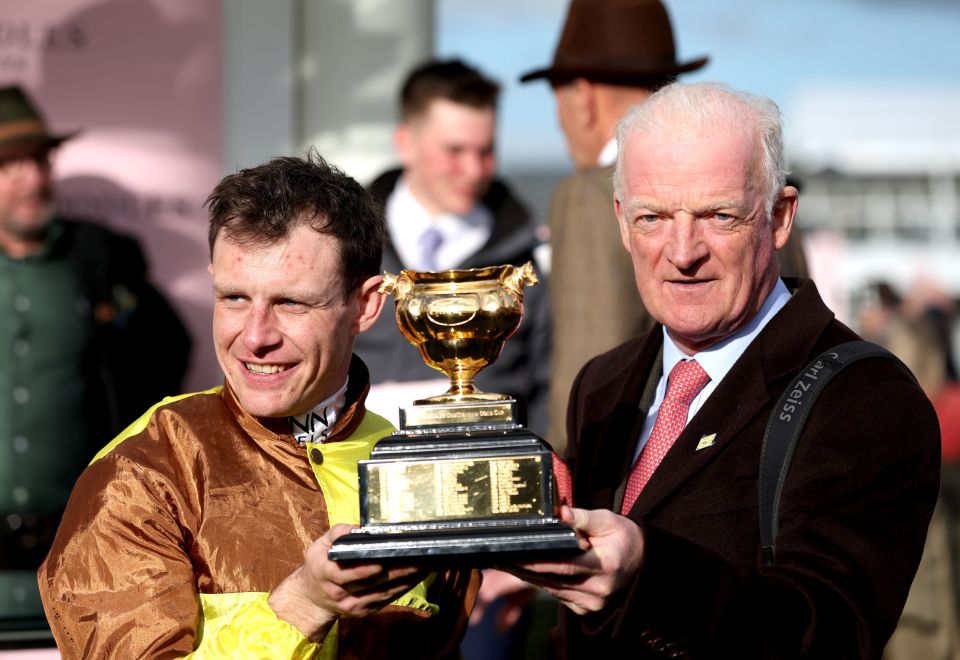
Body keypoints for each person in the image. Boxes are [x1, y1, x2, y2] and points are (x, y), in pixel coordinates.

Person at [505, 82, 940, 658]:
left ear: (780, 217)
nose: (682, 251)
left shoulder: (866, 398)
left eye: (718, 216)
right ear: (620, 221)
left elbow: (832, 634)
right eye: (653, 217)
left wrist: (647, 572)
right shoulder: (604, 383)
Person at [38, 153, 478, 658]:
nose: (255, 336)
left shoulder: (417, 471)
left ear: (366, 305)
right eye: (234, 298)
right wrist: (302, 605)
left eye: (290, 303)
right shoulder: (147, 467)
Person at [0, 86, 189, 590]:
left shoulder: (101, 256)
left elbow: (170, 348)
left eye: (40, 161)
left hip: (81, 541)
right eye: (12, 165)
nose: (34, 179)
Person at [518, 0, 708, 454]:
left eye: (558, 104)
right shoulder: (757, 190)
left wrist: (564, 492)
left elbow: (590, 396)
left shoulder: (590, 196)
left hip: (633, 495)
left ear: (582, 99)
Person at [358, 58, 550, 436]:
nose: (474, 169)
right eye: (455, 150)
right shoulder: (345, 246)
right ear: (405, 143)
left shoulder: (531, 259)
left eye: (485, 151)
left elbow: (547, 389)